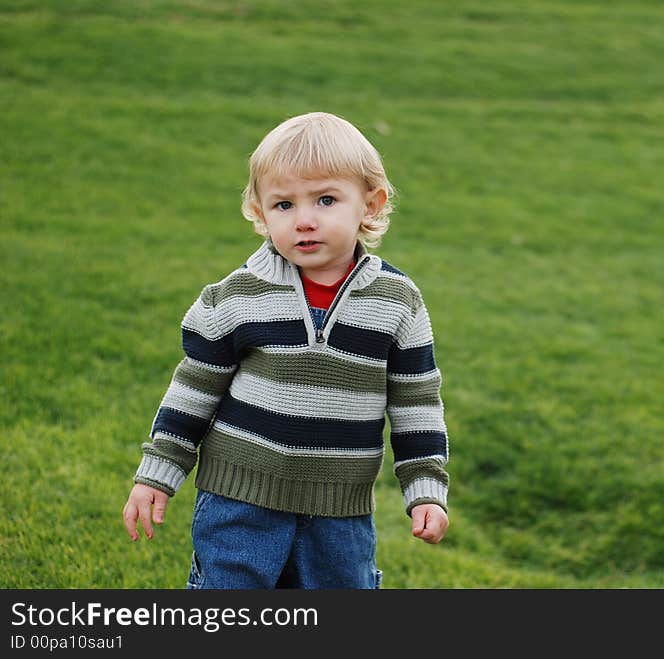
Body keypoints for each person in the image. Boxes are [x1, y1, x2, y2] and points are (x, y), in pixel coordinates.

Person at [122, 111, 449, 589]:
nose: (304, 221)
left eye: (325, 199)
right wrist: (158, 472)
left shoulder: (397, 302)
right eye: (283, 206)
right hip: (239, 502)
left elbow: (415, 401)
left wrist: (426, 490)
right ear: (259, 211)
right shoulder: (236, 297)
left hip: (339, 514)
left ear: (371, 205)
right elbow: (193, 389)